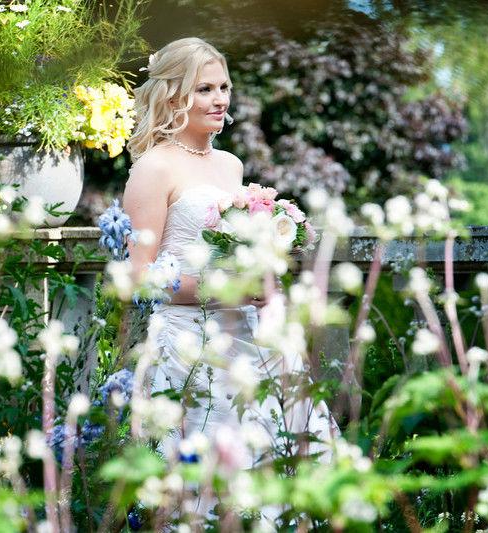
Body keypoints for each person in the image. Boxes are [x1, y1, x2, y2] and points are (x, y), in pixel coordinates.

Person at [122, 37, 337, 518]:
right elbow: (139, 277)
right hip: (189, 346)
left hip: (253, 340)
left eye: (224, 87)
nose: (220, 99)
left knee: (277, 472)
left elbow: (232, 246)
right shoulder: (153, 168)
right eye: (204, 89)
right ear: (174, 95)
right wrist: (223, 290)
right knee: (201, 493)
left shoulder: (230, 165)